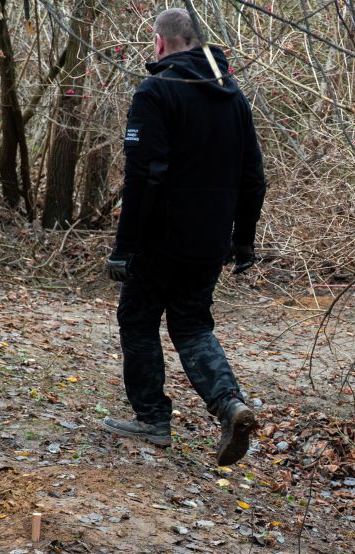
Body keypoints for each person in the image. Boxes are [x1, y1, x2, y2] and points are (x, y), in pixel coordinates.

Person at [104, 8, 266, 467]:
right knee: (192, 324)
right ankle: (229, 403)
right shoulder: (233, 96)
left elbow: (144, 175)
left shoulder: (156, 92)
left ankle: (152, 419)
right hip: (211, 241)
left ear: (160, 43)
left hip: (161, 239)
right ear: (195, 42)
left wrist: (124, 246)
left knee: (137, 318)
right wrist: (243, 241)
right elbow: (254, 177)